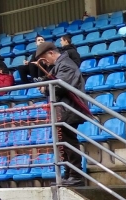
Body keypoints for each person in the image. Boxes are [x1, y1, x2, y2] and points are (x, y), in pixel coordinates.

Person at [36, 41, 86, 186]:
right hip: (64, 110)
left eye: (45, 59)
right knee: (64, 143)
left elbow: (61, 86)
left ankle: (75, 175)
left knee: (69, 142)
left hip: (68, 109)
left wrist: (45, 89)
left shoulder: (66, 64)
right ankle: (69, 173)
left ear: (51, 53)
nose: (46, 63)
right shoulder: (60, 65)